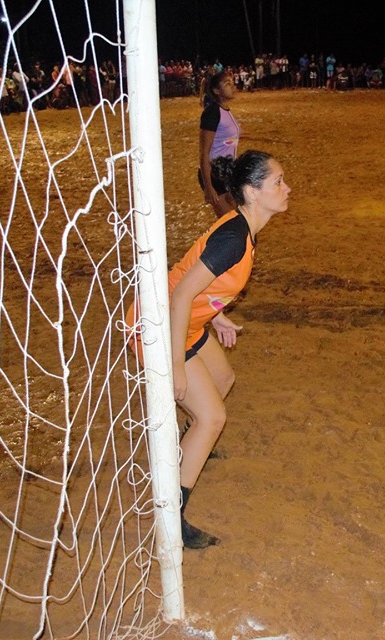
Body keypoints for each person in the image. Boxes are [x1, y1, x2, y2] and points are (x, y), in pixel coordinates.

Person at [127, 150, 291, 548]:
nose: (287, 189)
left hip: (185, 322)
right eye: (278, 182)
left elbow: (196, 282)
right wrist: (174, 368)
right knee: (213, 418)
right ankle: (170, 517)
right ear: (253, 192)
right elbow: (182, 294)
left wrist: (215, 314)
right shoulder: (234, 239)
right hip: (158, 327)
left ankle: (188, 445)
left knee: (223, 378)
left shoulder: (242, 230)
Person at [199, 69, 242, 217]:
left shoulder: (226, 111)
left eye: (232, 83)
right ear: (217, 90)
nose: (232, 86)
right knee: (231, 225)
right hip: (215, 175)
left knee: (240, 223)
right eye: (227, 84)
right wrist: (208, 187)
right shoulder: (212, 113)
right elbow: (204, 152)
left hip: (227, 173)